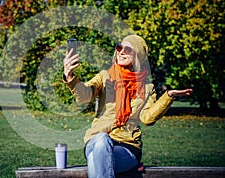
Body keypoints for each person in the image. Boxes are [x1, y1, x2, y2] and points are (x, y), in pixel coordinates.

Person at [63, 35, 192, 178]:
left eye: (128, 49)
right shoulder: (105, 76)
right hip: (96, 142)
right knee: (102, 140)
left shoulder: (147, 87)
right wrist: (70, 77)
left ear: (139, 56)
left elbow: (147, 118)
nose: (121, 52)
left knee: (96, 161)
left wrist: (168, 96)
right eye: (119, 47)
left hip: (127, 148)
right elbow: (85, 96)